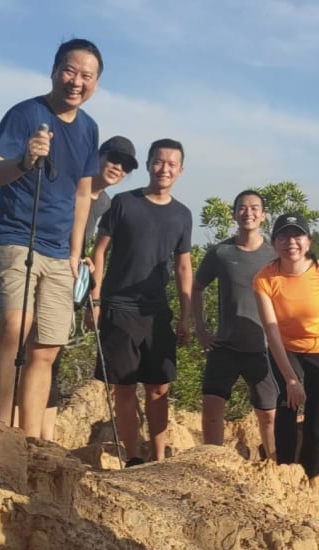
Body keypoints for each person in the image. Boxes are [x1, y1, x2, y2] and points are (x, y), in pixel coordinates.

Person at [0, 38, 104, 439]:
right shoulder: (25, 114)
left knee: (47, 347)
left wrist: (75, 252)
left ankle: (30, 440)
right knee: (16, 326)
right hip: (15, 235)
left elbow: (83, 192)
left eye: (87, 75)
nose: (76, 81)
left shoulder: (88, 128)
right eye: (70, 71)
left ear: (96, 83)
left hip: (59, 250)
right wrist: (24, 160)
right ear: (54, 70)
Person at [89, 138, 192, 466]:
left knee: (158, 388)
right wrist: (95, 300)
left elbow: (184, 266)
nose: (164, 169)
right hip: (119, 307)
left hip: (156, 311)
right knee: (123, 389)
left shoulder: (182, 215)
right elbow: (100, 251)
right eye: (159, 162)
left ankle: (159, 457)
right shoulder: (122, 203)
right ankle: (132, 457)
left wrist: (186, 316)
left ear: (181, 170)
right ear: (148, 165)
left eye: (171, 164)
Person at [42, 136, 138, 441]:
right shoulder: (68, 185)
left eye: (125, 166)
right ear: (98, 156)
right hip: (44, 270)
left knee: (52, 357)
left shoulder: (106, 203)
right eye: (113, 159)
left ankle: (43, 437)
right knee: (30, 352)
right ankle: (17, 430)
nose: (117, 168)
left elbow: (89, 246)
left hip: (69, 281)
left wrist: (90, 289)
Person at [253, 213, 319, 478]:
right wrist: (291, 379)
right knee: (286, 415)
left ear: (308, 241)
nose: (290, 242)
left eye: (297, 235)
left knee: (316, 427)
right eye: (283, 236)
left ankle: (308, 480)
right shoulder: (265, 278)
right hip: (286, 352)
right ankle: (285, 477)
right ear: (274, 243)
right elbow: (271, 330)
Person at [193, 190, 278, 458]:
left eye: (254, 208)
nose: (248, 212)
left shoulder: (275, 254)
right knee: (212, 409)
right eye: (242, 207)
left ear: (264, 215)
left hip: (264, 349)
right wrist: (201, 329)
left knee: (268, 416)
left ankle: (274, 465)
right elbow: (197, 288)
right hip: (225, 346)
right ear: (233, 213)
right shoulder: (221, 252)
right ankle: (214, 463)